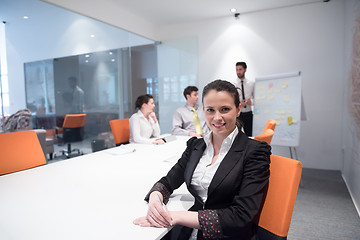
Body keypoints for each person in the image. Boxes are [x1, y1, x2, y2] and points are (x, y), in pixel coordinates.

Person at [133, 80, 271, 239]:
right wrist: (155, 199)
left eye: (225, 109)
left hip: (225, 234)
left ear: (238, 109)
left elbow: (241, 215)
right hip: (190, 230)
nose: (217, 117)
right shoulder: (196, 146)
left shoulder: (255, 151)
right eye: (210, 110)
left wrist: (175, 216)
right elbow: (168, 181)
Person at [234, 62, 254, 136]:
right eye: (236, 70)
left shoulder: (251, 84)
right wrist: (239, 103)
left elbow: (256, 99)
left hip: (248, 113)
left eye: (240, 69)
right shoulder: (233, 84)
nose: (238, 72)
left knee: (249, 135)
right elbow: (231, 100)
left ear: (245, 70)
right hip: (238, 114)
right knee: (237, 135)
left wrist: (251, 102)